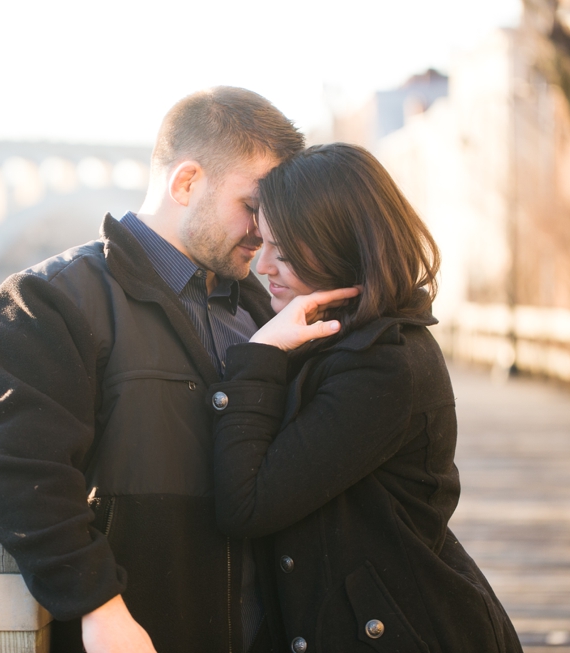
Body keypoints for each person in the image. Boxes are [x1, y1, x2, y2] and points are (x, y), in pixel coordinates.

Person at [0, 87, 306, 653]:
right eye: (254, 207)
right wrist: (99, 609)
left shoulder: (260, 311)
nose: (266, 231)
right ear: (186, 182)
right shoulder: (48, 302)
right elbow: (14, 467)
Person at [208, 143, 523, 653]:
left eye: (283, 250)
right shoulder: (340, 342)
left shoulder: (383, 366)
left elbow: (248, 504)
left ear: (342, 244)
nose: (261, 265)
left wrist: (259, 354)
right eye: (261, 243)